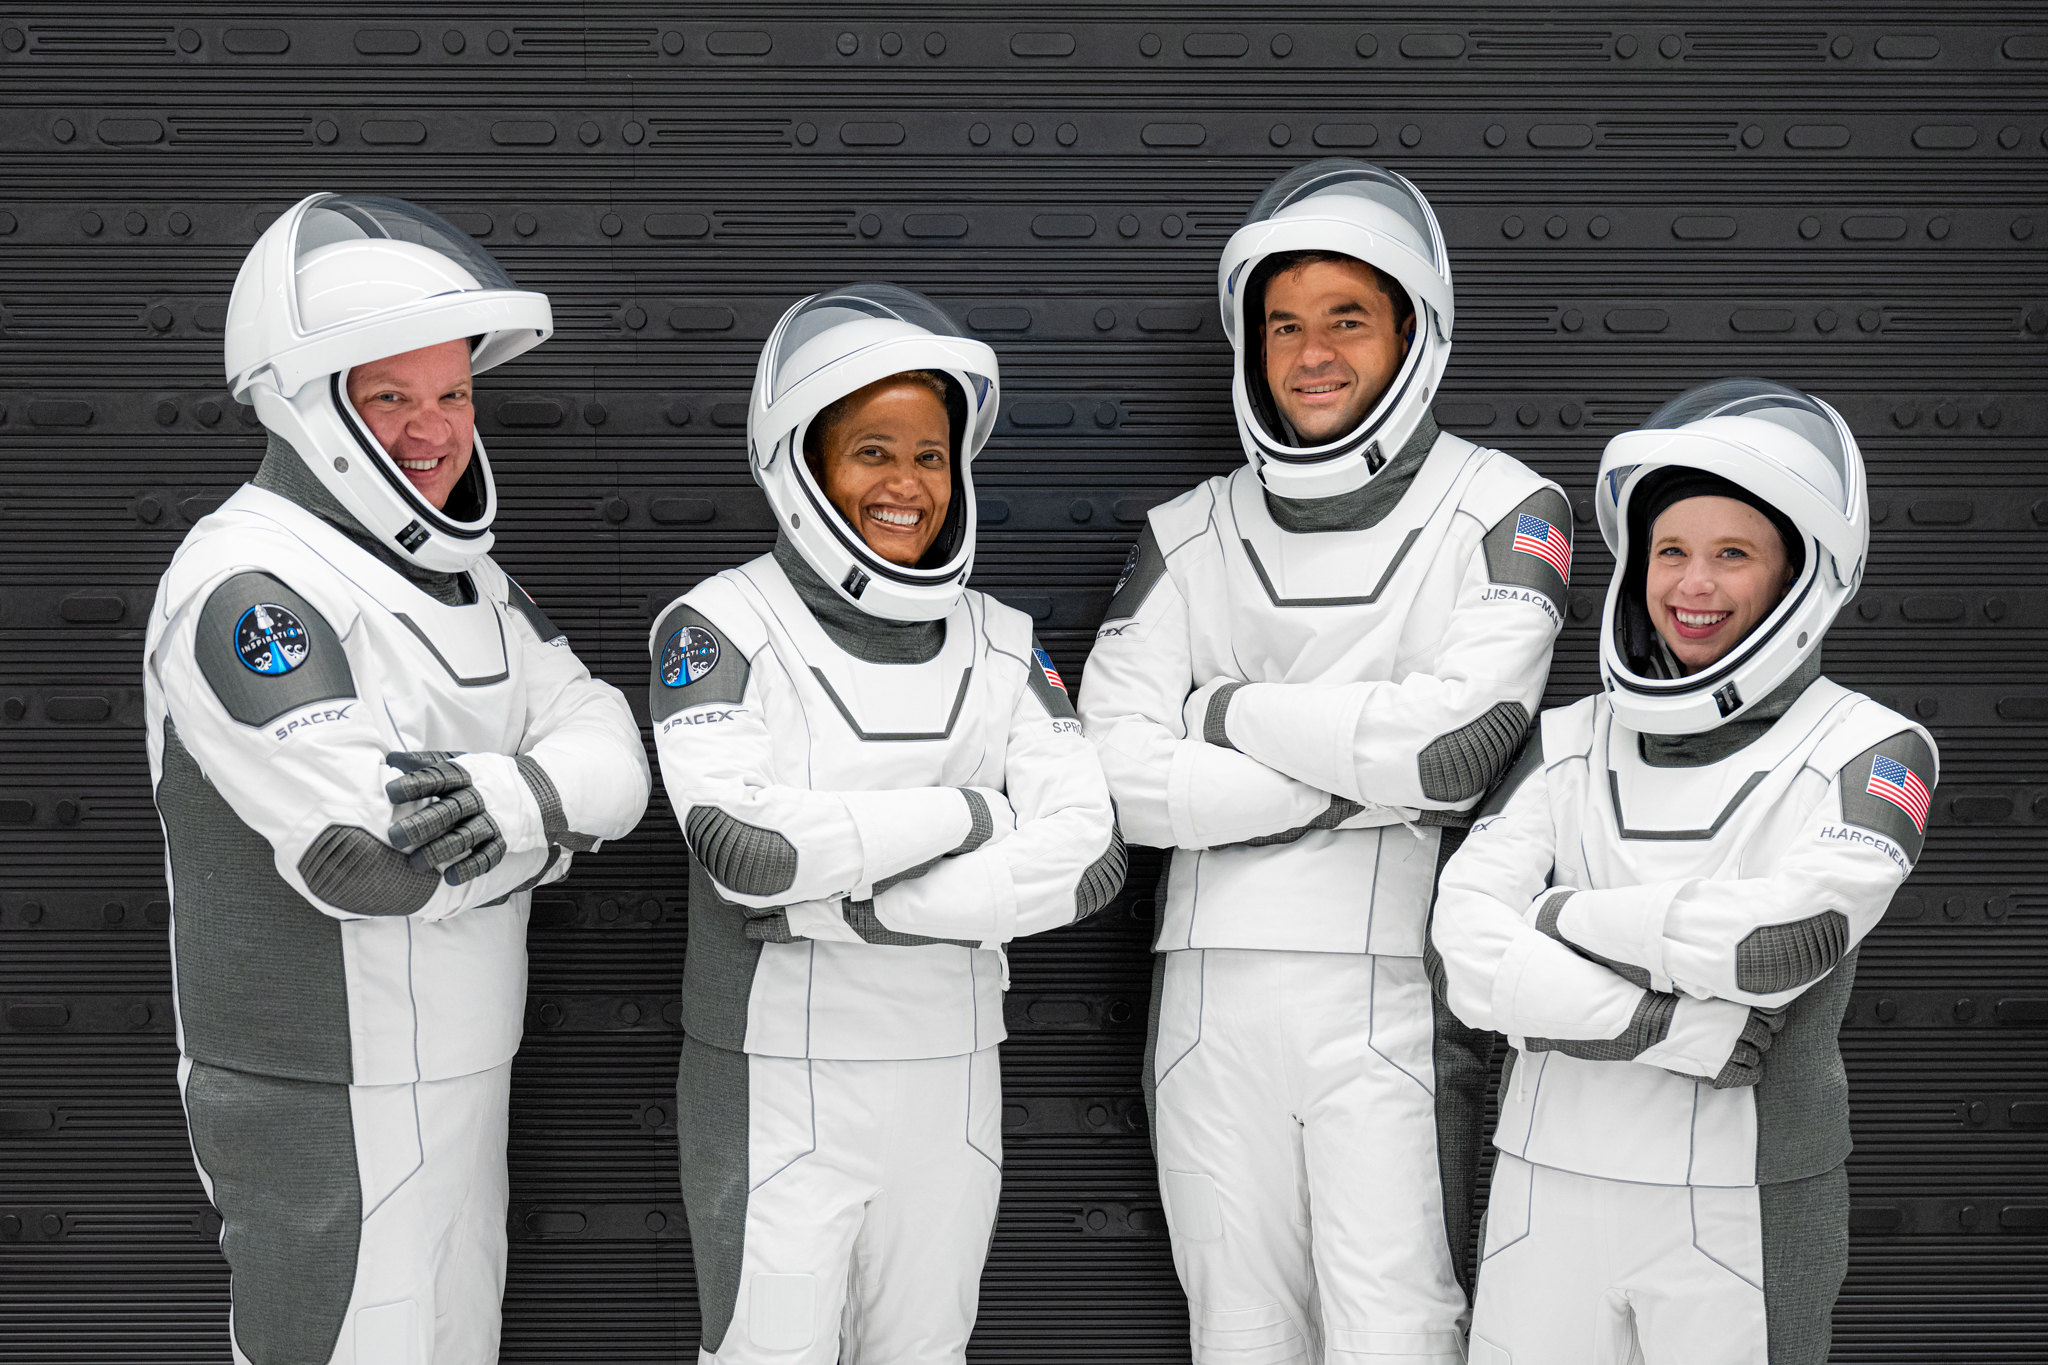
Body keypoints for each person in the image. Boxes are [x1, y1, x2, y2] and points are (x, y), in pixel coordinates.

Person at [142, 192, 651, 1365]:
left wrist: (509, 808)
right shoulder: (248, 583)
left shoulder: (474, 587)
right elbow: (365, 860)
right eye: (391, 397)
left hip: (467, 1061)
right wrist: (554, 824)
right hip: (318, 1084)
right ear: (309, 405)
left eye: (453, 394)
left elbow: (614, 748)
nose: (434, 432)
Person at [1076, 159, 1570, 1363]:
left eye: (1345, 319)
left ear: (1411, 331)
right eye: (1282, 325)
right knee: (1235, 1330)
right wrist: (1352, 780)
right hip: (1201, 997)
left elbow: (1452, 755)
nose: (1309, 355)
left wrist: (1224, 707)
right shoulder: (1186, 531)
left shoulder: (1506, 508)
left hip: (1390, 987)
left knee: (1393, 1326)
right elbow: (1108, 774)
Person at [648, 282, 1125, 1365]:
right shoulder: (717, 625)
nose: (906, 484)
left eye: (929, 454)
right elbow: (748, 850)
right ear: (802, 463)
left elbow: (1089, 853)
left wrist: (853, 912)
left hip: (950, 1079)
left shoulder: (1002, 641)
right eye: (871, 451)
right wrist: (971, 811)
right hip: (776, 1083)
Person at [1432, 378, 1937, 1365]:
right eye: (1669, 551)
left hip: (1739, 1207)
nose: (1689, 586)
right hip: (1544, 1189)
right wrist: (1657, 1026)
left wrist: (1559, 913)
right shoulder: (1566, 739)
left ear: (1800, 575)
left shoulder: (1875, 752)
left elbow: (1769, 948)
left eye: (1730, 555)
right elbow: (1463, 952)